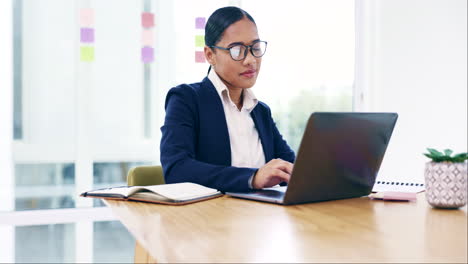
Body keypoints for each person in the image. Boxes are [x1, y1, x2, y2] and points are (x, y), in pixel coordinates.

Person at [160, 6, 295, 192]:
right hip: (211, 217)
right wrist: (252, 178)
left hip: (262, 217)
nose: (250, 60)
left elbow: (289, 166)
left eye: (255, 48)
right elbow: (177, 170)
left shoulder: (260, 111)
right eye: (237, 50)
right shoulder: (186, 99)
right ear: (210, 55)